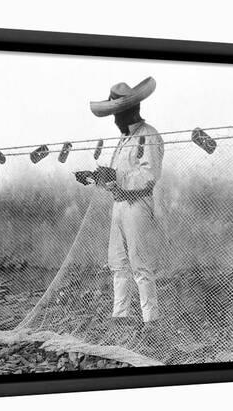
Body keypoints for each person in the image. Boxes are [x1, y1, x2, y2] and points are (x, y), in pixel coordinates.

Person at [87, 77, 164, 333]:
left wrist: (115, 177)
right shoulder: (123, 140)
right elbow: (115, 178)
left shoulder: (148, 135)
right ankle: (120, 317)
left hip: (138, 206)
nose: (115, 121)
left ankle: (150, 321)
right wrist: (96, 177)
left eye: (116, 116)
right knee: (118, 262)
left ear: (127, 112)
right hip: (119, 205)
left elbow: (149, 175)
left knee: (139, 263)